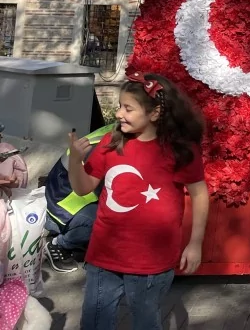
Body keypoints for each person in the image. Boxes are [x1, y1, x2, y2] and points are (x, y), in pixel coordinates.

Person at [68, 74, 208, 330]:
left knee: (145, 322)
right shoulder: (111, 143)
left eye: (128, 108)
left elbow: (199, 194)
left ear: (154, 113)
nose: (119, 113)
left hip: (151, 262)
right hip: (104, 255)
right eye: (120, 106)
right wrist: (74, 161)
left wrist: (195, 243)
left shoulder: (178, 150)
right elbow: (82, 188)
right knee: (94, 322)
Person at [43, 123, 116, 273]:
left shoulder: (121, 131)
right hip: (64, 205)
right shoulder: (111, 142)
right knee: (107, 220)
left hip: (77, 196)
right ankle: (58, 244)